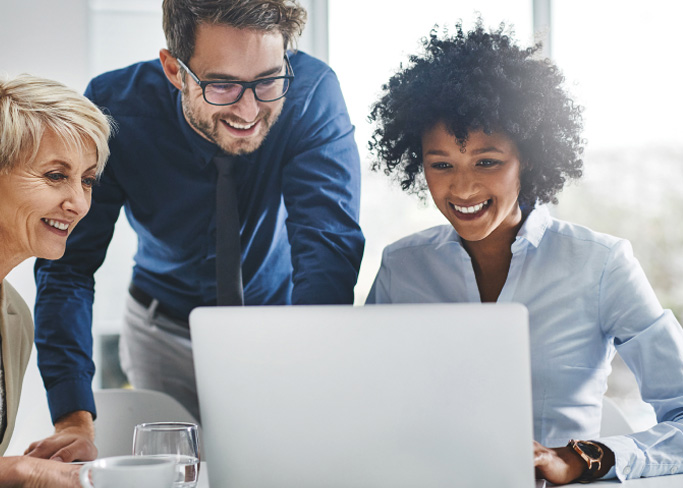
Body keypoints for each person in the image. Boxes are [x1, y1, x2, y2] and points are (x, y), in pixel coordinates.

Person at [33, 0, 364, 445]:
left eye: (267, 81)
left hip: (280, 328)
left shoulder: (311, 94)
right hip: (160, 331)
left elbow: (327, 248)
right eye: (222, 86)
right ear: (174, 70)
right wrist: (72, 414)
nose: (248, 111)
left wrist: (312, 374)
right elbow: (68, 265)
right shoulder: (115, 110)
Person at [365, 22, 683, 484]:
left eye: (487, 162)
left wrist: (579, 459)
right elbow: (363, 402)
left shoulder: (601, 264)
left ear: (528, 157)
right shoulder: (401, 266)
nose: (462, 187)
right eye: (441, 165)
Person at [0, 74, 111, 484]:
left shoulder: (14, 317)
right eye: (54, 175)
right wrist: (22, 471)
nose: (79, 203)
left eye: (86, 180)